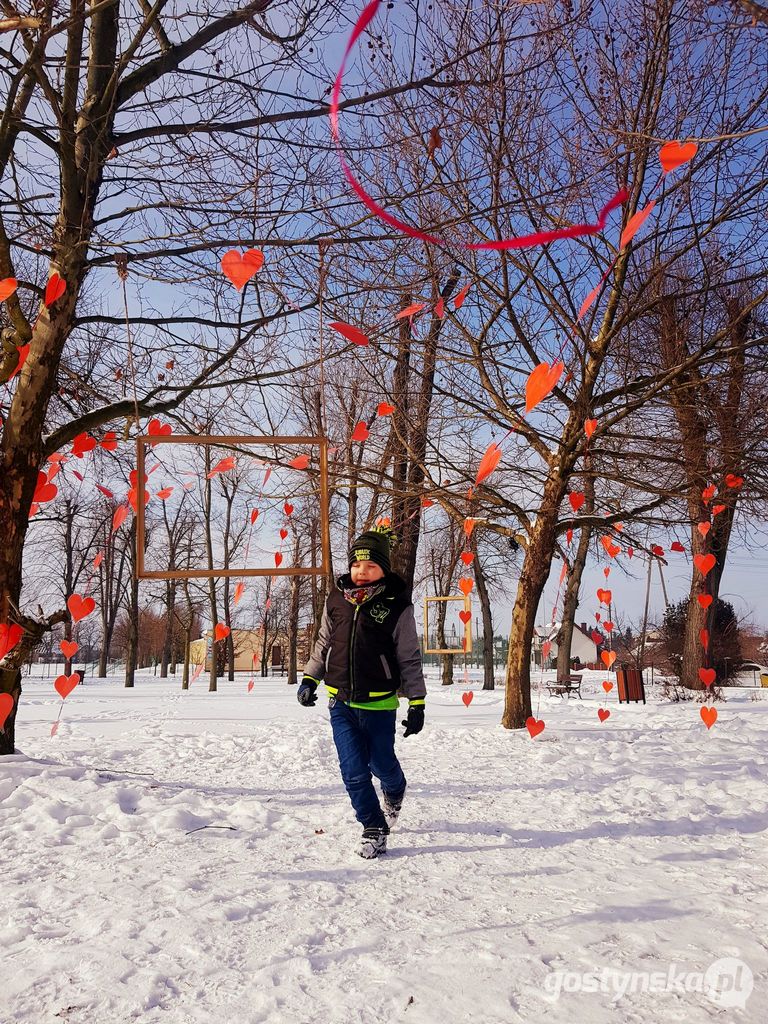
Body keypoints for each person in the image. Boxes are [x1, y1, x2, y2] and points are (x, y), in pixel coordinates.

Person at [297, 527, 426, 859]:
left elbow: (409, 657)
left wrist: (417, 701)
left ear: (383, 569)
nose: (361, 572)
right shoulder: (336, 600)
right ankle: (373, 826)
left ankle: (395, 790)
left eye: (369, 567)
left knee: (381, 763)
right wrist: (310, 679)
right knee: (353, 770)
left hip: (380, 704)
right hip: (340, 701)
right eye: (357, 565)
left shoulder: (397, 606)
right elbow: (323, 643)